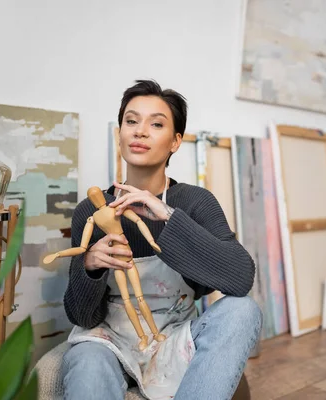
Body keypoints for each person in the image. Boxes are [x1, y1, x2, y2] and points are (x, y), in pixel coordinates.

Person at [61, 79, 262, 400]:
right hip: (108, 340)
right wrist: (89, 266)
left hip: (175, 338)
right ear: (119, 134)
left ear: (175, 142)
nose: (140, 131)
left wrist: (169, 217)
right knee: (86, 361)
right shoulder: (91, 210)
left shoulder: (196, 202)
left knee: (243, 310)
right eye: (131, 121)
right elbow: (82, 317)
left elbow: (240, 279)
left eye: (156, 124)